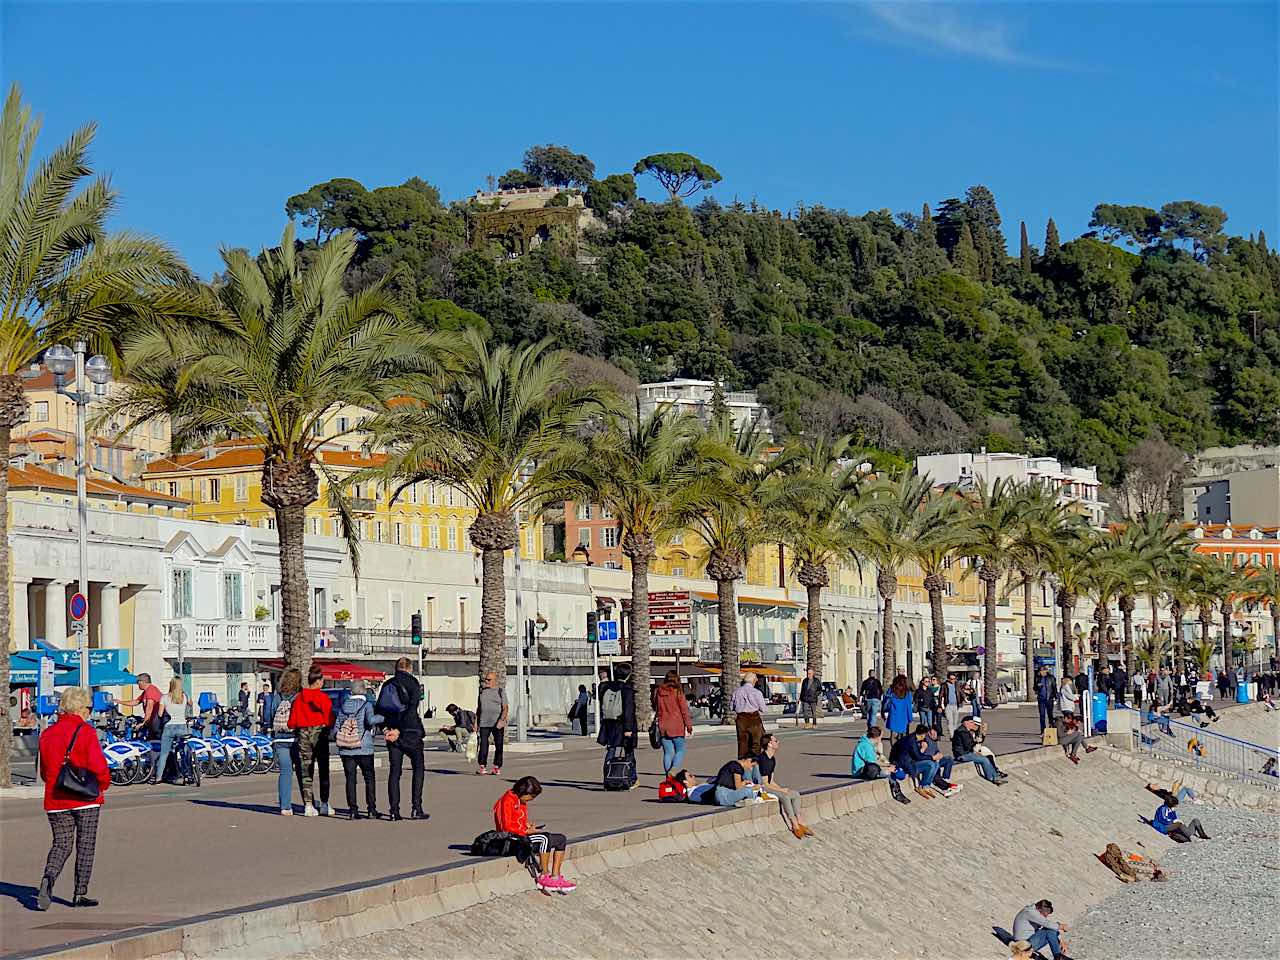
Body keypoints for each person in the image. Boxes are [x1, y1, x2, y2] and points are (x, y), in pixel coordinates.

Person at [35, 687, 110, 911]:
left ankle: (48, 878)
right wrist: (103, 784)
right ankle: (79, 893)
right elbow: (99, 766)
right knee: (85, 845)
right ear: (80, 708)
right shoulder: (85, 732)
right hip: (85, 798)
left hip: (56, 797)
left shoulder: (47, 734)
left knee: (61, 843)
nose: (89, 712)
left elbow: (45, 770)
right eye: (88, 707)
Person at [493, 776, 576, 892]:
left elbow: (518, 821)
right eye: (530, 797)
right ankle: (544, 876)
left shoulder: (520, 800)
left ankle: (555, 876)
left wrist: (527, 825)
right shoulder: (507, 800)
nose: (530, 800)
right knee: (544, 838)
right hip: (511, 840)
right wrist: (526, 831)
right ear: (523, 791)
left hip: (521, 835)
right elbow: (506, 827)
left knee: (560, 839)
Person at [380, 657, 427, 820]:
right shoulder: (413, 683)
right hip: (410, 732)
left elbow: (380, 710)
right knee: (418, 768)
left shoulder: (387, 684)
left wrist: (386, 729)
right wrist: (400, 729)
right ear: (409, 668)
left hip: (392, 734)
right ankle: (416, 808)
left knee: (395, 772)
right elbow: (411, 709)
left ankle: (394, 811)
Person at [288, 665, 333, 817]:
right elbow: (329, 719)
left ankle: (308, 804)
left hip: (303, 735)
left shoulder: (299, 699)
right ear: (319, 681)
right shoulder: (323, 698)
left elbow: (291, 723)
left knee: (306, 771)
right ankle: (325, 803)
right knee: (323, 769)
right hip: (320, 735)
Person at [335, 679, 383, 820]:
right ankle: (371, 809)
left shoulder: (343, 706)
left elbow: (336, 727)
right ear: (363, 690)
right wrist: (383, 717)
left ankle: (353, 810)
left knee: (350, 779)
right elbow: (371, 721)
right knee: (369, 778)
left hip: (346, 748)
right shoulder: (366, 705)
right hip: (364, 747)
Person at [756, 733, 813, 838]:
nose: (778, 742)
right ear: (769, 744)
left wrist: (781, 788)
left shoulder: (772, 759)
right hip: (761, 787)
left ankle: (800, 819)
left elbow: (771, 780)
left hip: (768, 785)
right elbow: (765, 783)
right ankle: (794, 823)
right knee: (785, 796)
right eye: (776, 741)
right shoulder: (762, 759)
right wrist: (781, 791)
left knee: (795, 794)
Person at [264, 667, 301, 814]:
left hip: (280, 738)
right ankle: (309, 803)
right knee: (301, 772)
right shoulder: (300, 695)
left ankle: (285, 806)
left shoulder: (278, 695)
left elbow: (270, 713)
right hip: (296, 737)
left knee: (285, 772)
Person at [596, 664, 637, 788]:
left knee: (611, 751)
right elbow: (628, 710)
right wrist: (629, 728)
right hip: (622, 725)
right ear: (628, 675)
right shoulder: (627, 689)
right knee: (629, 753)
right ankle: (631, 778)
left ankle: (607, 777)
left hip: (609, 724)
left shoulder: (606, 687)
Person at [851, 725, 910, 803]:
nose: (881, 738)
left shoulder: (869, 744)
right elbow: (873, 762)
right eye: (881, 736)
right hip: (861, 772)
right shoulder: (865, 746)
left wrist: (888, 765)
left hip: (869, 768)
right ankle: (897, 793)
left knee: (891, 771)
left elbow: (878, 759)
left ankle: (897, 791)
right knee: (886, 772)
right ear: (877, 737)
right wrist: (887, 768)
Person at [152, 677, 193, 784]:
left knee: (164, 753)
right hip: (182, 726)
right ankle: (186, 775)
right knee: (183, 752)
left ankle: (158, 778)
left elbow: (160, 714)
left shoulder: (164, 697)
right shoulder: (184, 696)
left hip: (169, 727)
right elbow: (190, 704)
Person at [653, 669, 692, 775]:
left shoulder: (659, 692)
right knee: (680, 750)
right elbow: (684, 710)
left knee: (667, 752)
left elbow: (655, 707)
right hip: (676, 725)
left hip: (663, 725)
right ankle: (673, 770)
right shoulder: (678, 692)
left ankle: (668, 775)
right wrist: (689, 725)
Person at [952, 715, 1006, 784]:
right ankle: (991, 777)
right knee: (984, 760)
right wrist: (976, 742)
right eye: (971, 722)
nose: (973, 724)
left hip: (966, 752)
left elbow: (970, 744)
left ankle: (996, 776)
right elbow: (968, 746)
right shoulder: (962, 732)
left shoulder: (965, 731)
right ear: (966, 723)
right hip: (962, 755)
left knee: (987, 757)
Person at [474, 670, 508, 776]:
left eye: (489, 679)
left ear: (495, 680)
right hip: (484, 723)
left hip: (497, 723)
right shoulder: (482, 692)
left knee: (499, 745)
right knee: (483, 745)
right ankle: (482, 766)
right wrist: (476, 723)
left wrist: (501, 720)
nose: (486, 681)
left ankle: (497, 767)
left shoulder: (500, 691)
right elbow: (479, 708)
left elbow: (505, 708)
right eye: (486, 679)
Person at [731, 671, 768, 759]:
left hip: (741, 719)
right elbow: (763, 709)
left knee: (742, 743)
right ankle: (753, 763)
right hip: (753, 718)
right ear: (753, 681)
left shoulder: (736, 692)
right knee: (756, 742)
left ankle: (742, 765)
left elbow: (731, 707)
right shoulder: (756, 692)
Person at [118, 672, 163, 738]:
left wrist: (144, 723)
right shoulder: (146, 692)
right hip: (152, 722)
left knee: (150, 740)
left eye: (137, 682)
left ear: (142, 682)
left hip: (156, 723)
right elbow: (136, 702)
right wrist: (120, 702)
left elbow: (149, 708)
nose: (137, 684)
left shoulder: (151, 690)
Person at [881, 674, 913, 746]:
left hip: (894, 714)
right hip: (904, 715)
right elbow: (909, 705)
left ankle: (893, 749)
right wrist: (910, 717)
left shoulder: (891, 690)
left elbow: (886, 701)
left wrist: (883, 711)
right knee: (904, 735)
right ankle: (902, 751)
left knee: (893, 734)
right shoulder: (907, 692)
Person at [940, 671, 962, 737]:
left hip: (956, 705)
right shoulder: (944, 685)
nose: (953, 680)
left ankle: (955, 735)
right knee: (950, 722)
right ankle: (952, 736)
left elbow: (960, 692)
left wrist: (965, 699)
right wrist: (941, 705)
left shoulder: (957, 684)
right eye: (952, 679)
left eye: (954, 679)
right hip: (948, 706)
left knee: (955, 722)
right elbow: (941, 695)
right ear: (948, 679)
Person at [1035, 667, 1057, 733]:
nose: (1041, 672)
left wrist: (1055, 696)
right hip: (1041, 699)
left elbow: (1054, 687)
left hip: (1049, 698)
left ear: (1046, 671)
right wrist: (1037, 686)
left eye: (1042, 671)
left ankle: (1051, 729)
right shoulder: (1037, 678)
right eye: (1040, 671)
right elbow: (1034, 688)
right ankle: (1043, 730)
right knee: (1042, 715)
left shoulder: (1051, 677)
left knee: (1050, 715)